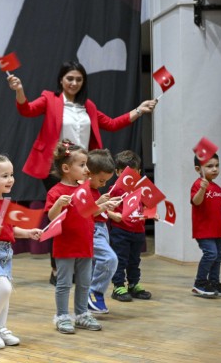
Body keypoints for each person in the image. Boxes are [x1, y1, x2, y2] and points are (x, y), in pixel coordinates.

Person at [8, 61, 156, 283]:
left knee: (83, 215)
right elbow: (26, 109)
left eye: (78, 79)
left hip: (84, 169)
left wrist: (139, 110)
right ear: (61, 80)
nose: (74, 83)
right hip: (56, 169)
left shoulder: (89, 106)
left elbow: (113, 124)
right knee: (60, 215)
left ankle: (79, 265)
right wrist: (19, 90)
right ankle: (58, 268)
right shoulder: (50, 98)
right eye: (70, 78)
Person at [0, 152, 42, 349]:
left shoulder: (5, 203)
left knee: (5, 292)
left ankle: (1, 327)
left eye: (11, 175)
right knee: (4, 289)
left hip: (5, 253)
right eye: (4, 176)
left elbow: (11, 230)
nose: (10, 179)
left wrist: (28, 233)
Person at [45, 140, 100, 334]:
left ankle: (81, 314)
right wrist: (59, 204)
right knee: (64, 283)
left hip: (85, 244)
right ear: (66, 168)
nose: (87, 169)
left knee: (85, 282)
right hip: (65, 246)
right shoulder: (56, 192)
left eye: (86, 164)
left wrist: (104, 206)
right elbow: (51, 217)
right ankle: (62, 316)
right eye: (82, 165)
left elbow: (90, 213)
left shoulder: (85, 189)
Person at [190, 153, 221, 297]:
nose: (215, 169)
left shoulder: (217, 187)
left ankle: (214, 282)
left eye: (217, 165)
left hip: (216, 229)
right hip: (203, 229)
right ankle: (199, 283)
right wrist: (202, 189)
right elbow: (196, 201)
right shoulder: (198, 185)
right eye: (210, 166)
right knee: (211, 254)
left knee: (217, 256)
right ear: (198, 169)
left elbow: (217, 205)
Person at [108, 150, 152, 303]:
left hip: (138, 231)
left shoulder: (142, 188)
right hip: (120, 231)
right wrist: (114, 215)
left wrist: (153, 214)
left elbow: (149, 205)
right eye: (126, 173)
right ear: (117, 172)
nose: (130, 177)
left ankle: (133, 284)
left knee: (135, 260)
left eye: (134, 173)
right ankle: (118, 286)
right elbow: (104, 207)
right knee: (120, 260)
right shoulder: (114, 189)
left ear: (139, 172)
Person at [85, 149, 121, 314]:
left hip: (101, 229)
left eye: (106, 181)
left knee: (97, 263)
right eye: (101, 180)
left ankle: (89, 295)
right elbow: (87, 213)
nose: (104, 184)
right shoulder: (84, 190)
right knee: (109, 259)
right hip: (93, 230)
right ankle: (94, 292)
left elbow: (98, 211)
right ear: (89, 173)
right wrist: (100, 205)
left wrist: (108, 208)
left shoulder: (94, 189)